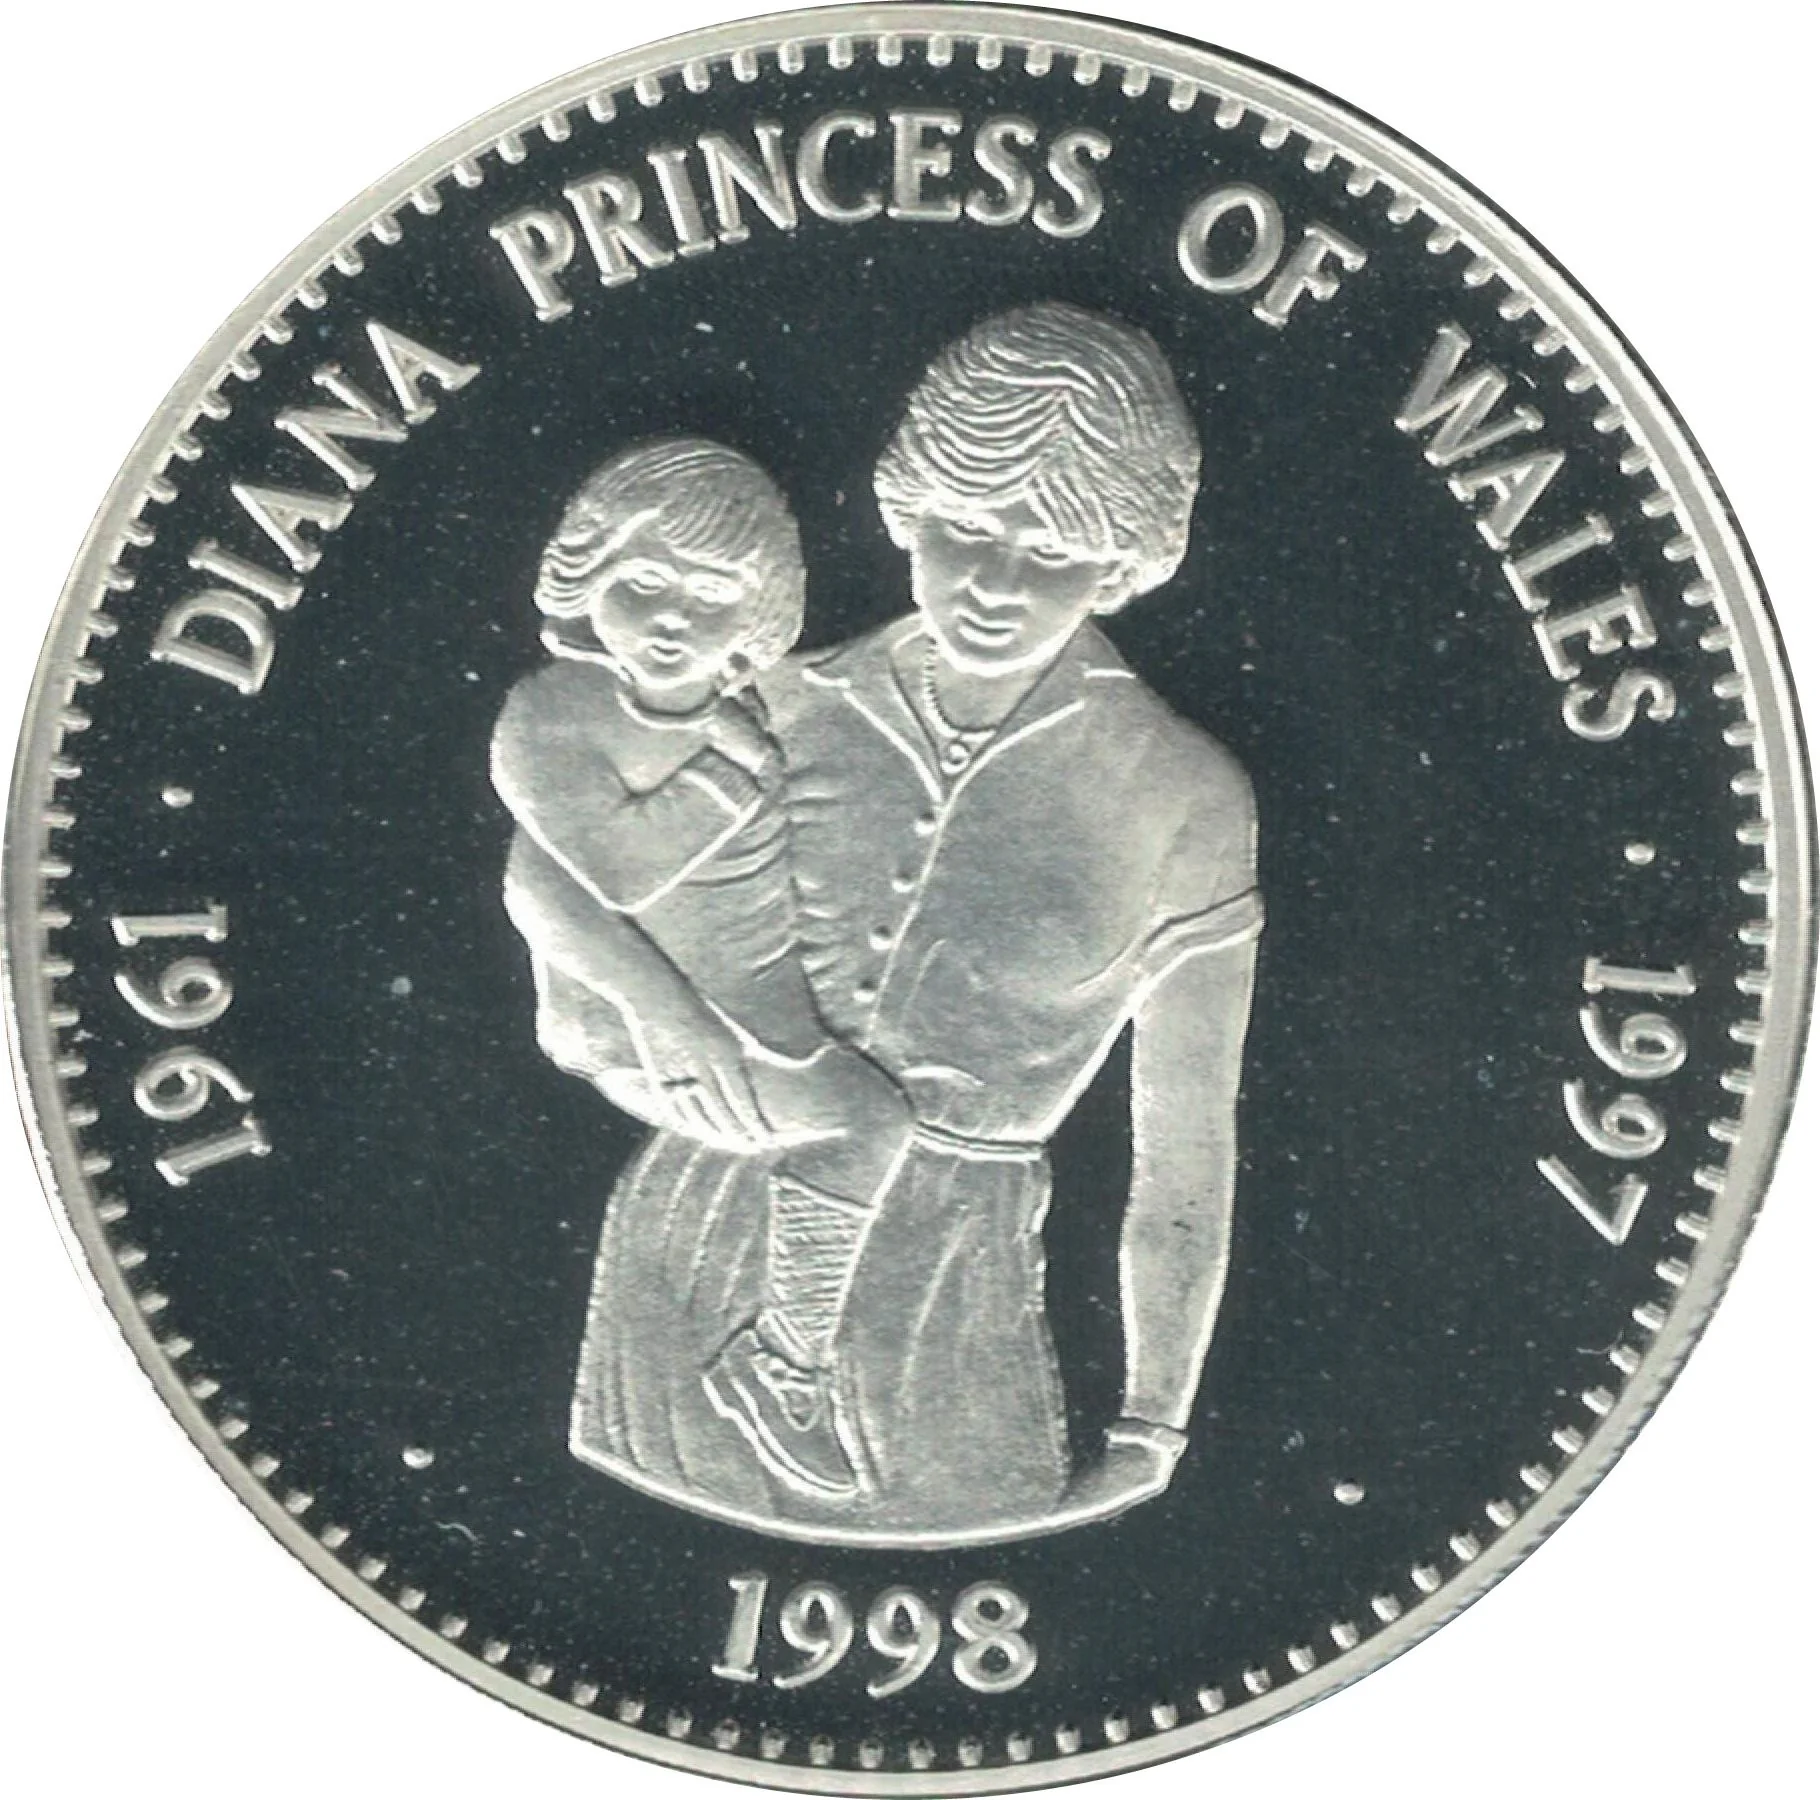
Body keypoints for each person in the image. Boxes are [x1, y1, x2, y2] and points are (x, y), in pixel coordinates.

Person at [567, 304, 1262, 1544]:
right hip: (691, 1236)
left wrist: (1153, 1421)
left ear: (1123, 559)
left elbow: (1184, 1149)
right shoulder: (771, 705)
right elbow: (578, 913)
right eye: (967, 527)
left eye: (1052, 548)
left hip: (954, 1297)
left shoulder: (1184, 795)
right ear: (909, 508)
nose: (994, 582)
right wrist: (632, 1038)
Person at [491, 438, 910, 1500]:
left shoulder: (737, 712)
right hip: (670, 1036)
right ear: (585, 577)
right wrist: (666, 1017)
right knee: (868, 1121)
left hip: (760, 1008)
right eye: (643, 581)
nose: (672, 616)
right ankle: (781, 1368)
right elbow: (576, 876)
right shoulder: (552, 713)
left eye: (713, 594)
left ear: (757, 616)